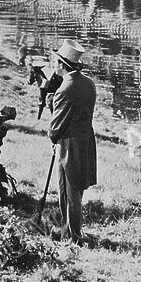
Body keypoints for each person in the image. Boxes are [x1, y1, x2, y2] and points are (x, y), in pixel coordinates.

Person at [46, 40, 97, 244]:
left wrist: (53, 138)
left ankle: (73, 238)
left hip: (69, 145)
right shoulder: (89, 83)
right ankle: (68, 232)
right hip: (86, 142)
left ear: (61, 65)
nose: (53, 65)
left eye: (55, 61)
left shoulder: (65, 88)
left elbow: (56, 126)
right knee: (77, 191)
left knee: (68, 194)